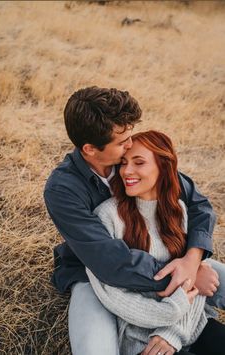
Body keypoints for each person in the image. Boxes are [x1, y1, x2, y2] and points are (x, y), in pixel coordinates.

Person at [44, 86, 224, 355]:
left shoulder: (132, 157)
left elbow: (198, 204)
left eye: (130, 135)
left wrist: (192, 259)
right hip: (92, 274)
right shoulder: (63, 189)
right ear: (90, 149)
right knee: (95, 350)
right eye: (122, 142)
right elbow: (109, 262)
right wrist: (184, 278)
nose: (130, 144)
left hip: (167, 255)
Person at [86, 130, 225, 355]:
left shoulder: (178, 210)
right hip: (144, 341)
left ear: (163, 167)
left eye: (138, 162)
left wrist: (172, 332)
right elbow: (112, 295)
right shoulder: (107, 216)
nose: (126, 171)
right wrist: (171, 311)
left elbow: (195, 281)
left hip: (190, 327)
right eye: (123, 163)